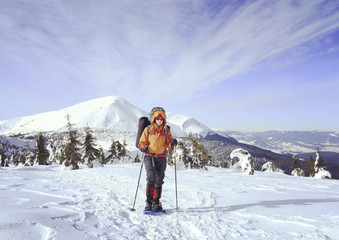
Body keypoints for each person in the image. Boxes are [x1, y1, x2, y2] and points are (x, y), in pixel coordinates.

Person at [138, 107, 177, 211]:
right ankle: (148, 202)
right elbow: (141, 142)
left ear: (164, 120)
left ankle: (156, 201)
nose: (159, 121)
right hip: (149, 156)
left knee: (159, 179)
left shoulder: (166, 130)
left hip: (161, 157)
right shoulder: (148, 129)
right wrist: (143, 147)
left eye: (161, 119)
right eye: (157, 119)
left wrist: (172, 143)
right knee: (151, 177)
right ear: (154, 119)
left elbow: (169, 145)